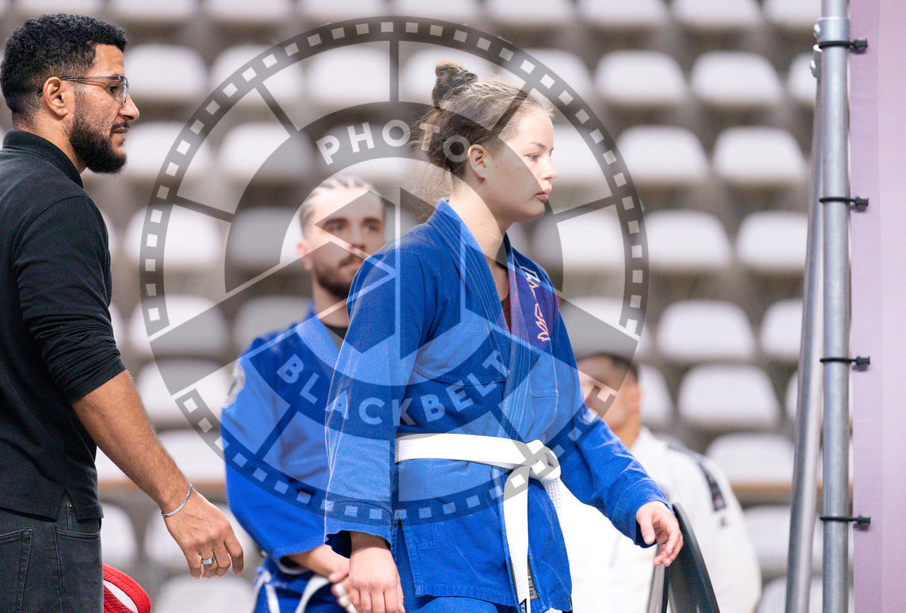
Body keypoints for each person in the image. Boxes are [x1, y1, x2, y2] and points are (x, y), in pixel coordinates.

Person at [0, 13, 243, 612]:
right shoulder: (56, 204)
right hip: (19, 516)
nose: (130, 108)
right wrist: (178, 497)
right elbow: (84, 366)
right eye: (113, 88)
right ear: (57, 95)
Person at [323, 63, 683, 613]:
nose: (552, 171)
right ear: (481, 158)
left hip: (527, 548)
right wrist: (367, 544)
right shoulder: (409, 268)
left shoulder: (533, 284)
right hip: (440, 546)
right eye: (535, 155)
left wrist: (637, 494)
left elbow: (567, 417)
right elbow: (361, 406)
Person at [222, 176, 387, 613]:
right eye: (336, 226)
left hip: (411, 586)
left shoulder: (428, 360)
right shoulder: (268, 362)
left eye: (371, 225)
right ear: (304, 253)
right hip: (309, 594)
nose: (356, 239)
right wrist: (334, 563)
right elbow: (250, 480)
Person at [561, 353, 762, 613]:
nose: (584, 397)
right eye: (576, 389)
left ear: (634, 396)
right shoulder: (549, 475)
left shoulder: (689, 472)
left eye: (597, 385)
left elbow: (734, 583)